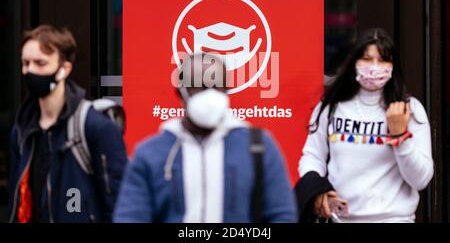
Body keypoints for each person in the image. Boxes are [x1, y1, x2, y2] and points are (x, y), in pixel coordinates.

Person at [114, 53, 296, 222]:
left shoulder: (259, 147)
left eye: (216, 86)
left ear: (227, 90)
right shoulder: (151, 154)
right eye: (198, 87)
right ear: (180, 93)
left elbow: (281, 215)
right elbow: (131, 217)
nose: (209, 94)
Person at [296, 28, 434, 223]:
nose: (375, 67)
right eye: (367, 59)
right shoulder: (332, 106)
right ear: (354, 63)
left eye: (383, 60)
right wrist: (317, 189)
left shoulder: (409, 109)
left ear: (393, 66)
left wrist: (400, 137)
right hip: (340, 219)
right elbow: (312, 156)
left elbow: (420, 180)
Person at [9, 25, 128, 222]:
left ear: (64, 69)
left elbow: (120, 204)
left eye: (40, 63)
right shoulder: (22, 131)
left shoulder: (95, 126)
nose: (30, 71)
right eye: (25, 63)